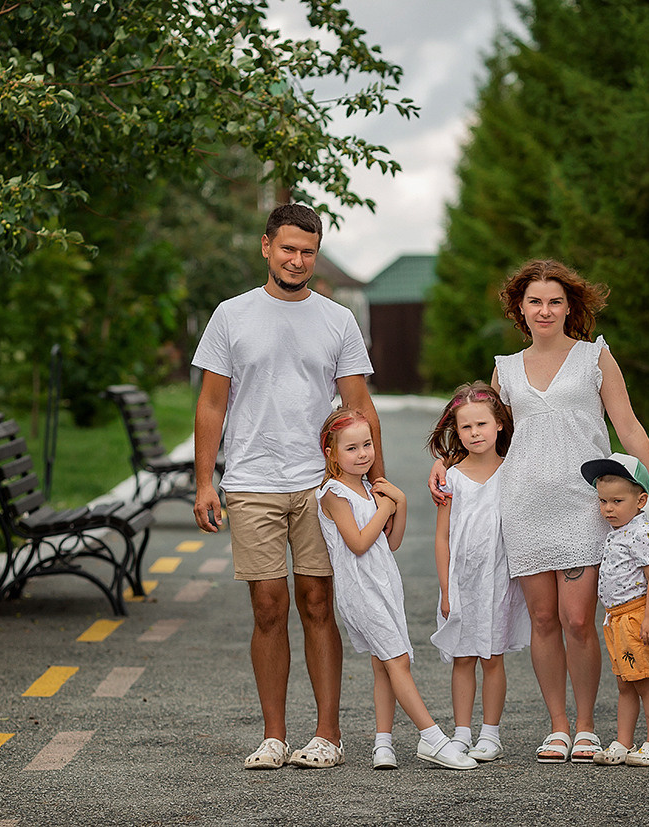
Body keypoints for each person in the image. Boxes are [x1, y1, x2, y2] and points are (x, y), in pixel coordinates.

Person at [429, 259, 649, 764]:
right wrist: (444, 461)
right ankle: (558, 726)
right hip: (522, 506)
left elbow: (628, 427)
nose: (544, 310)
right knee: (543, 619)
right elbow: (480, 427)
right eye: (534, 302)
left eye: (554, 301)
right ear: (519, 309)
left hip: (581, 507)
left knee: (577, 620)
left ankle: (588, 725)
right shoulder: (504, 368)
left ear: (570, 306)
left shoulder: (594, 358)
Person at [192, 203, 382, 771]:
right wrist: (207, 481)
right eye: (288, 249)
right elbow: (211, 403)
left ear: (316, 254)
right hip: (251, 482)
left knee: (318, 603)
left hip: (321, 485)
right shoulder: (231, 315)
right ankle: (274, 736)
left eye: (308, 251)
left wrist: (374, 482)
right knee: (268, 608)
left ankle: (327, 734)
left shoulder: (337, 319)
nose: (297, 260)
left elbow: (358, 405)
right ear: (266, 246)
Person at [316, 408, 479, 771]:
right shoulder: (333, 493)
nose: (363, 454)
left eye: (368, 445)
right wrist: (385, 505)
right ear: (331, 452)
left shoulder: (369, 488)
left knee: (382, 664)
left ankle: (383, 744)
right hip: (361, 591)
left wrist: (399, 504)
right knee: (398, 661)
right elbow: (358, 543)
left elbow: (390, 543)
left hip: (384, 586)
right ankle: (433, 738)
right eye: (352, 448)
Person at [425, 381, 530, 763]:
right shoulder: (450, 478)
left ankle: (491, 733)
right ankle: (462, 732)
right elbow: (442, 537)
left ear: (500, 424)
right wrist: (445, 589)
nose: (475, 433)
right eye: (466, 427)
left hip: (500, 579)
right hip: (461, 581)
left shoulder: (513, 471)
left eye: (482, 425)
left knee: (492, 656)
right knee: (462, 656)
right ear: (457, 430)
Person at [580, 453, 649, 766]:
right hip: (616, 619)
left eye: (617, 501)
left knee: (644, 681)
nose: (608, 509)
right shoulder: (617, 532)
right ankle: (623, 741)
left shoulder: (644, 534)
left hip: (636, 617)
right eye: (603, 501)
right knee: (625, 683)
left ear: (641, 500)